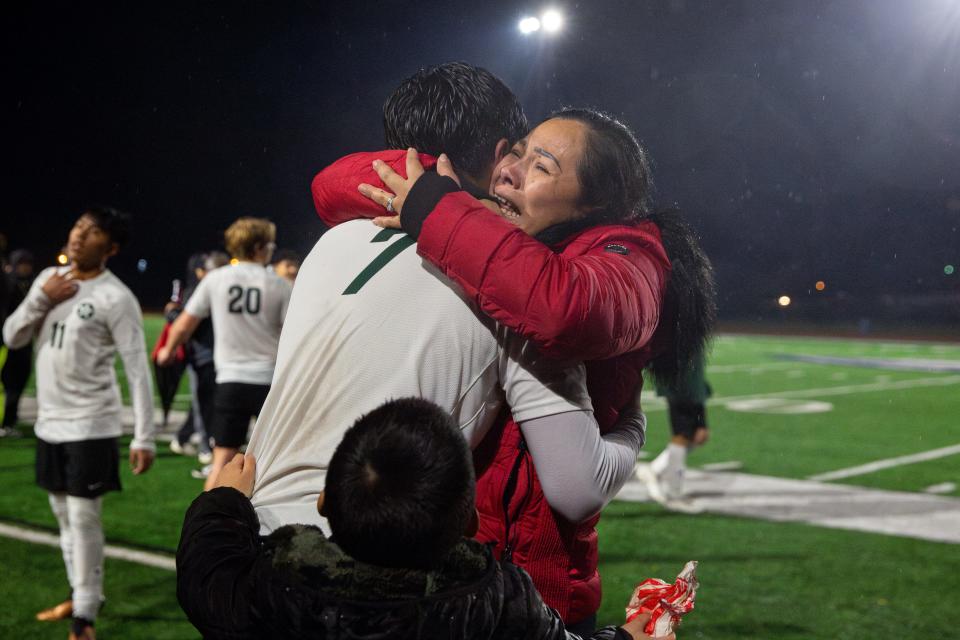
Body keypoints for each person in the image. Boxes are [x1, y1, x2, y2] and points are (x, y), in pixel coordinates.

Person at [316, 109, 715, 629]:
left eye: (542, 166)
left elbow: (567, 307)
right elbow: (331, 187)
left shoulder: (634, 254)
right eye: (516, 152)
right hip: (451, 574)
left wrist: (439, 210)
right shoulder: (490, 221)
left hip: (539, 592)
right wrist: (442, 192)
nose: (510, 170)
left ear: (596, 205)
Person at [248, 63, 646, 544]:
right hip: (368, 555)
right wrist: (633, 423)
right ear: (501, 155)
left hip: (252, 536)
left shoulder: (334, 240)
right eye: (522, 157)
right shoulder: (516, 282)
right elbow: (577, 487)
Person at [178, 397, 673, 640]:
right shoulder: (495, 601)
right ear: (471, 524)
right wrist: (628, 636)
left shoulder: (285, 586)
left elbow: (207, 574)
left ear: (324, 502)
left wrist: (222, 502)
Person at [2, 207, 156, 640]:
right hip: (50, 423)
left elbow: (137, 369)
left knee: (83, 516)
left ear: (110, 248)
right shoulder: (49, 280)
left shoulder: (116, 297)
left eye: (92, 233)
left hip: (91, 424)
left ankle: (84, 617)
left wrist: (142, 435)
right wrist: (40, 298)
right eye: (78, 227)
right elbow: (12, 336)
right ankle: (81, 591)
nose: (78, 235)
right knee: (60, 513)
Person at [157, 218, 291, 489]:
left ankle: (206, 526)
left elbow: (184, 323)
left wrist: (168, 351)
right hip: (269, 384)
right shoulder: (279, 284)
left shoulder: (216, 280)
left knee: (221, 463)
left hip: (230, 382)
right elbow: (293, 334)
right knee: (278, 464)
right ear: (258, 247)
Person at [166, 251, 229, 467]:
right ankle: (205, 446)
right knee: (204, 403)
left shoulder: (217, 289)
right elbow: (185, 322)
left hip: (217, 356)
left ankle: (184, 438)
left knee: (205, 403)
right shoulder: (198, 291)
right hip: (203, 356)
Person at [636, 356, 712, 511]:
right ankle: (674, 492)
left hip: (689, 385)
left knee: (692, 438)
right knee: (683, 437)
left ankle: (654, 470)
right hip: (681, 385)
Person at [1, 249, 36, 436]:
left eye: (28, 264)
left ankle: (10, 420)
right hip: (6, 342)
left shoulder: (31, 284)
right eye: (21, 264)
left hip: (24, 343)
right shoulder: (8, 284)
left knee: (18, 383)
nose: (25, 268)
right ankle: (6, 423)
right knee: (8, 383)